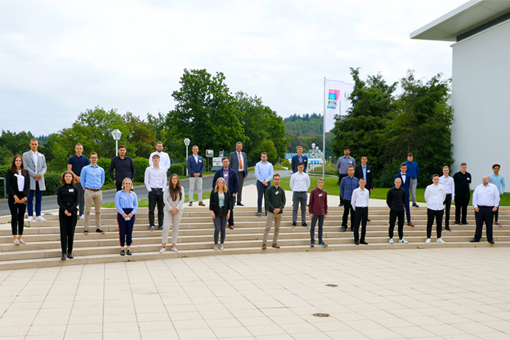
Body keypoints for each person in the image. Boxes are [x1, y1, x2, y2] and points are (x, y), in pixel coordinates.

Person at [5, 155, 30, 245]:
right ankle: (15, 237)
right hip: (13, 197)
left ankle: (20, 237)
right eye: (17, 161)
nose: (18, 162)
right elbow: (8, 185)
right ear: (14, 162)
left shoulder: (25, 172)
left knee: (21, 217)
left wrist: (25, 197)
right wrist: (15, 196)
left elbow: (28, 185)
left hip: (23, 196)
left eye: (20, 160)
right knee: (14, 217)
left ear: (22, 162)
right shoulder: (10, 171)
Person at [22, 138, 47, 222]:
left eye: (35, 144)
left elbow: (44, 167)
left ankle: (38, 215)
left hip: (40, 180)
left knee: (39, 199)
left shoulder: (42, 156)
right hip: (30, 179)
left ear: (38, 145)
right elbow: (25, 166)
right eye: (32, 144)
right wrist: (34, 174)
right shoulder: (25, 155)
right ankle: (29, 215)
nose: (34, 145)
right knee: (29, 198)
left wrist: (40, 174)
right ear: (30, 144)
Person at [80, 152, 105, 234]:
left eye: (95, 157)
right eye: (92, 157)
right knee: (87, 210)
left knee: (98, 211)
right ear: (90, 159)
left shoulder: (101, 169)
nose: (94, 159)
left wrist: (99, 187)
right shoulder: (85, 169)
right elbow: (82, 180)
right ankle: (86, 227)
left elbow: (102, 180)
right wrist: (86, 189)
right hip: (89, 190)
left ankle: (98, 227)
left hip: (98, 191)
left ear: (97, 158)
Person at [470, 175, 500, 244]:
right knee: (478, 224)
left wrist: (496, 206)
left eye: (485, 179)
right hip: (480, 208)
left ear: (489, 179)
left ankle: (490, 238)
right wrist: (475, 206)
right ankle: (477, 238)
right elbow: (474, 197)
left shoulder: (493, 187)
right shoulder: (478, 187)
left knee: (489, 224)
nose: (484, 180)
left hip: (489, 208)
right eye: (483, 179)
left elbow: (497, 197)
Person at [57, 171, 79, 260]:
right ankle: (63, 252)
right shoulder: (60, 189)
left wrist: (70, 210)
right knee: (63, 233)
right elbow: (59, 201)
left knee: (71, 233)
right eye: (66, 176)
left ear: (72, 178)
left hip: (72, 212)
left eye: (70, 176)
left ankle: (69, 252)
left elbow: (77, 201)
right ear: (64, 178)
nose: (68, 178)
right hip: (63, 212)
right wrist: (65, 210)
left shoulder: (76, 188)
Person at [160, 174, 185, 253]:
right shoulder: (167, 188)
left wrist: (176, 208)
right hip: (168, 210)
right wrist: (171, 209)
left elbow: (182, 199)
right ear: (170, 180)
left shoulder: (181, 188)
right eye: (173, 178)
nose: (174, 180)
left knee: (175, 228)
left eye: (175, 178)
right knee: (166, 227)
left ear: (178, 180)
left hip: (178, 210)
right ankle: (163, 246)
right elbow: (165, 200)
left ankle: (173, 245)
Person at [212, 157, 239, 229]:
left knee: (230, 208)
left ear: (229, 162)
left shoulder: (232, 172)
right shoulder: (219, 172)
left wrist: (235, 191)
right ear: (222, 163)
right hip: (221, 193)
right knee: (221, 208)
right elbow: (214, 181)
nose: (225, 163)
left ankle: (231, 223)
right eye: (224, 162)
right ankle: (221, 223)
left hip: (230, 193)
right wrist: (215, 191)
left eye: (226, 162)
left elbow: (236, 182)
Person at [115, 178, 138, 256]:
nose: (128, 185)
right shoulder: (119, 193)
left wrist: (132, 213)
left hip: (131, 213)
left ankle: (128, 247)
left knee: (129, 231)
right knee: (122, 231)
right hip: (122, 213)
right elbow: (117, 204)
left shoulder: (133, 194)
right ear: (123, 184)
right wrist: (122, 213)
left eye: (129, 183)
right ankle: (122, 248)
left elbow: (136, 205)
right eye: (126, 183)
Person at [67, 143, 90, 221]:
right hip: (73, 181)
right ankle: (72, 212)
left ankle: (81, 213)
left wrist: (81, 178)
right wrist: (76, 177)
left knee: (82, 198)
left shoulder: (86, 159)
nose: (79, 149)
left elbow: (88, 170)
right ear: (75, 149)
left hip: (83, 181)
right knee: (72, 197)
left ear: (82, 149)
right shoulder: (71, 159)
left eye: (80, 148)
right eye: (77, 148)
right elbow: (69, 169)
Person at [144, 154, 167, 231]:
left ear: (159, 160)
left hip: (160, 190)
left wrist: (163, 189)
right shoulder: (148, 169)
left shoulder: (163, 169)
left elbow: (165, 180)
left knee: (161, 209)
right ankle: (152, 225)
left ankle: (161, 224)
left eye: (157, 158)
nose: (156, 160)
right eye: (154, 158)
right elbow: (146, 180)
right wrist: (149, 189)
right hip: (152, 190)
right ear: (152, 160)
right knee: (151, 209)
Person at [263, 174, 285, 249]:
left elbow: (284, 201)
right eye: (275, 179)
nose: (276, 180)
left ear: (280, 180)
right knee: (268, 227)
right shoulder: (269, 190)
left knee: (277, 228)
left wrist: (279, 209)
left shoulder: (281, 190)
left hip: (279, 212)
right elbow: (267, 201)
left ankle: (274, 242)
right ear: (273, 180)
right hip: (270, 212)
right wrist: (273, 209)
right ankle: (264, 243)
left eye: (278, 179)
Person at [209, 177, 231, 251]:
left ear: (224, 184)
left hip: (224, 212)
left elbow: (229, 204)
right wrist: (212, 212)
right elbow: (211, 203)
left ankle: (221, 243)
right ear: (217, 184)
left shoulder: (226, 192)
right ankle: (215, 244)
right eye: (219, 183)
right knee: (217, 228)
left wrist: (228, 213)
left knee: (223, 229)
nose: (220, 184)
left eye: (222, 183)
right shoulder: (214, 192)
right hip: (216, 212)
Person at [424, 175, 446, 244]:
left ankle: (439, 237)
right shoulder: (429, 187)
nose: (436, 180)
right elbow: (426, 196)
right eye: (435, 179)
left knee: (439, 223)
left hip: (440, 207)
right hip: (431, 207)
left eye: (437, 179)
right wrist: (431, 202)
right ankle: (428, 237)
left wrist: (439, 202)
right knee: (430, 223)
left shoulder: (442, 187)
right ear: (432, 180)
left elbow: (444, 196)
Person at [387, 178, 408, 244]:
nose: (398, 183)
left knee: (401, 223)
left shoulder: (403, 191)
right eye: (397, 182)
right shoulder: (391, 191)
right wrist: (392, 207)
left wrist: (401, 206)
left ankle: (401, 237)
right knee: (392, 223)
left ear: (401, 183)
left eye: (399, 182)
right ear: (394, 182)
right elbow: (388, 201)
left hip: (401, 209)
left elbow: (404, 199)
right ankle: (391, 237)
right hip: (393, 209)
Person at [308, 178, 328, 247]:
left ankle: (320, 241)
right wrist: (310, 212)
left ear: (323, 183)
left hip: (322, 212)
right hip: (315, 212)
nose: (320, 184)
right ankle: (312, 241)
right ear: (317, 183)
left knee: (320, 227)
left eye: (321, 182)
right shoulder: (313, 191)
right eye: (319, 182)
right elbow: (310, 202)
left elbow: (325, 203)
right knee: (313, 227)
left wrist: (326, 213)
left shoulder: (324, 192)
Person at [290, 162, 310, 227]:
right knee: (295, 208)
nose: (301, 168)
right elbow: (291, 184)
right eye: (299, 167)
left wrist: (304, 189)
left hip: (304, 193)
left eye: (302, 167)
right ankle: (294, 222)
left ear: (303, 167)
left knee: (303, 208)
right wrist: (295, 190)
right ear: (297, 167)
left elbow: (308, 184)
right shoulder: (294, 175)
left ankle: (303, 222)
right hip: (296, 193)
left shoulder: (306, 176)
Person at [354, 155, 373, 221]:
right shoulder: (357, 168)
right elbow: (356, 177)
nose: (364, 160)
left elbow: (371, 178)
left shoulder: (369, 168)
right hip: (360, 185)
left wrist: (371, 187)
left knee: (365, 201)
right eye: (363, 159)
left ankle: (365, 216)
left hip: (367, 186)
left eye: (365, 159)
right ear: (361, 160)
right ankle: (358, 215)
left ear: (367, 160)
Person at [228, 141, 248, 206]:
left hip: (241, 173)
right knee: (233, 186)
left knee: (240, 187)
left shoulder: (244, 155)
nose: (239, 147)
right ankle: (233, 200)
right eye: (237, 146)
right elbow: (229, 163)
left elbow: (245, 164)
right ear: (236, 147)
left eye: (240, 146)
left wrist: (246, 173)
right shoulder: (232, 154)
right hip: (234, 173)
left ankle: (239, 201)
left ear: (241, 147)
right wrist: (229, 172)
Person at [339, 165, 358, 232]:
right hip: (346, 198)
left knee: (353, 213)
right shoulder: (344, 179)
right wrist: (343, 197)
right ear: (347, 171)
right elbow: (341, 188)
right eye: (349, 170)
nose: (350, 171)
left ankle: (353, 226)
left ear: (354, 171)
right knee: (345, 213)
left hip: (354, 199)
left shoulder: (356, 180)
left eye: (351, 170)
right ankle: (344, 226)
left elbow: (358, 189)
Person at [351, 178, 369, 245]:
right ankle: (356, 239)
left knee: (364, 225)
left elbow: (367, 200)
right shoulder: (356, 191)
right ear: (359, 183)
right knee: (357, 225)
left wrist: (365, 206)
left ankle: (362, 239)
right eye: (361, 182)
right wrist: (356, 209)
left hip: (365, 208)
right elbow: (353, 201)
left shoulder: (367, 191)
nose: (362, 184)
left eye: (363, 182)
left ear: (365, 183)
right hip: (358, 208)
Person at [255, 152, 273, 217]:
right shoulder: (258, 164)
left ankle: (267, 210)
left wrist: (266, 181)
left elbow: (271, 174)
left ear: (267, 157)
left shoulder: (270, 165)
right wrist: (262, 181)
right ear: (261, 157)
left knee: (267, 197)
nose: (264, 157)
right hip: (260, 182)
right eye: (262, 156)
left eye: (265, 156)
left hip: (267, 182)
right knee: (260, 197)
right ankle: (259, 211)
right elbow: (257, 174)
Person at [439, 166, 455, 231]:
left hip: (448, 195)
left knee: (447, 211)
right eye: (444, 170)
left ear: (448, 171)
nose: (445, 171)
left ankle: (447, 226)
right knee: (440, 211)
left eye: (447, 170)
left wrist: (452, 198)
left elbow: (453, 188)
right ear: (443, 171)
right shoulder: (440, 179)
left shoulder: (451, 179)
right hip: (442, 195)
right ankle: (439, 225)